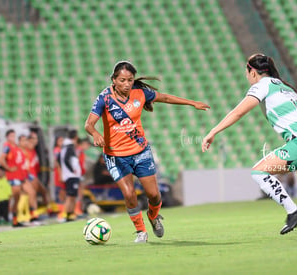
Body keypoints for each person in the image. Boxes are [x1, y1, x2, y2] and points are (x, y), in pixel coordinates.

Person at [202, 53, 297, 236]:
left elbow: (238, 112)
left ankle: (293, 211)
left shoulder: (261, 86)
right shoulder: (284, 86)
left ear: (253, 72)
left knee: (259, 172)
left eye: (246, 72)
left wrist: (213, 131)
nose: (247, 76)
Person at [85, 60, 210, 243]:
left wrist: (192, 103)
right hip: (116, 156)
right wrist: (95, 133)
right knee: (129, 194)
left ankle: (153, 216)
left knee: (153, 194)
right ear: (114, 80)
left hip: (141, 152)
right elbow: (88, 124)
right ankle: (141, 231)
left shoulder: (140, 93)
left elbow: (165, 98)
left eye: (129, 80)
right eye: (122, 80)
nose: (126, 84)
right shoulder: (104, 98)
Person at [58, 129, 81, 222]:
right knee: (70, 195)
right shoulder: (69, 147)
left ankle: (70, 214)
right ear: (75, 137)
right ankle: (65, 214)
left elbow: (59, 159)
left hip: (69, 175)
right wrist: (72, 170)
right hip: (71, 175)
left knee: (72, 195)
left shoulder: (64, 147)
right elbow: (67, 160)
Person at [74, 137, 91, 216]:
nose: (88, 147)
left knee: (79, 192)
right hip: (77, 174)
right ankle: (77, 209)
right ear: (83, 144)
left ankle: (78, 209)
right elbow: (76, 162)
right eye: (88, 144)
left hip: (79, 173)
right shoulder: (79, 150)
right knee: (78, 192)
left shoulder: (80, 151)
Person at [53, 135, 66, 220]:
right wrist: (60, 175)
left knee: (63, 193)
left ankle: (63, 212)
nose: (61, 142)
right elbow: (57, 163)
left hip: (63, 173)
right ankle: (60, 213)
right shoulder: (57, 150)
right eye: (60, 141)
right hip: (59, 174)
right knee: (60, 193)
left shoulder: (63, 150)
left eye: (62, 140)